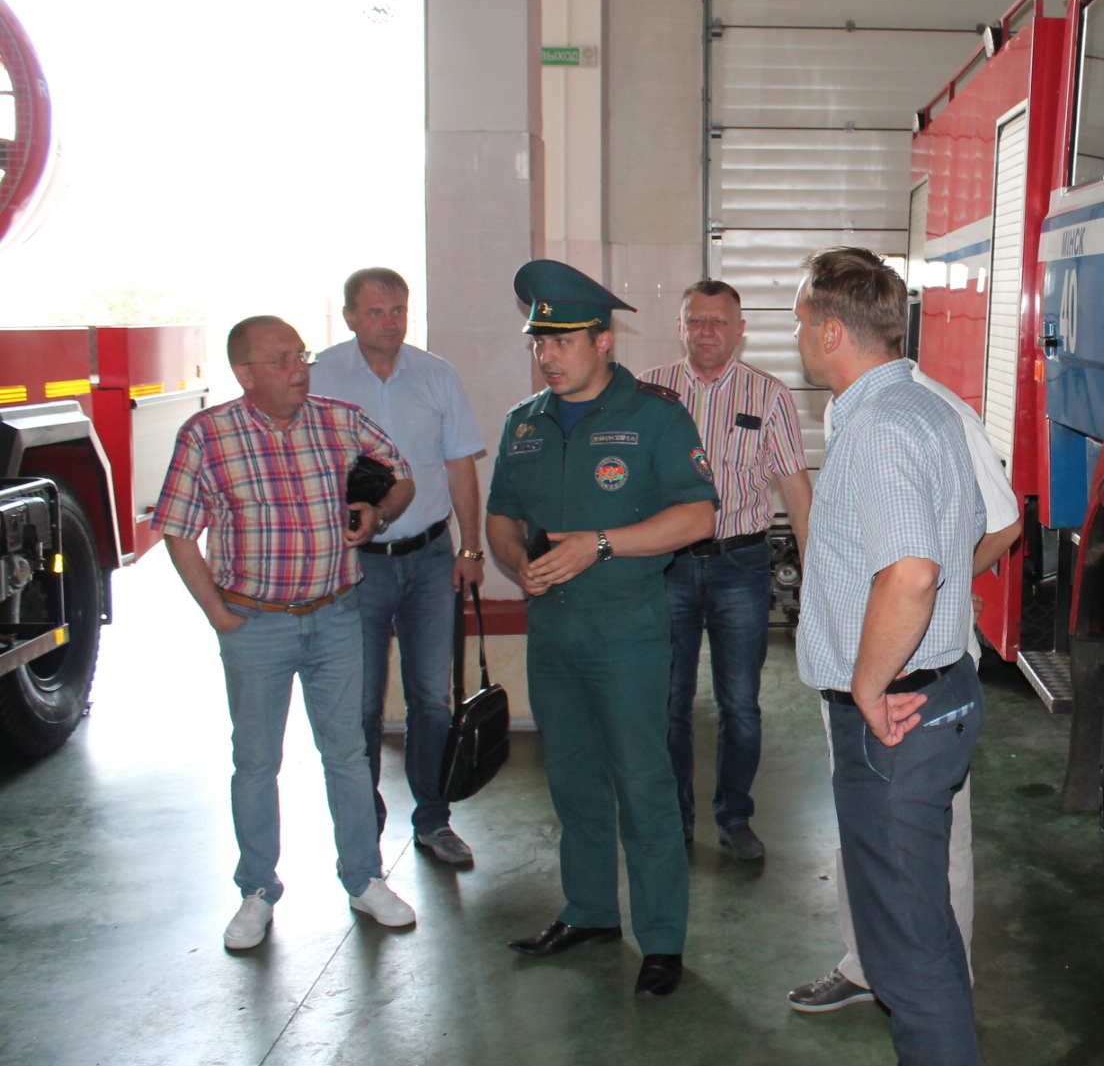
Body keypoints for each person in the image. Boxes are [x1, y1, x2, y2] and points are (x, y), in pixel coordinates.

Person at [485, 259, 719, 998]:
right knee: (573, 780)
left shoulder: (655, 417)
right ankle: (588, 911)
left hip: (626, 633)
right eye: (539, 343)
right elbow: (501, 517)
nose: (547, 357)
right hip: (552, 632)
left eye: (562, 342)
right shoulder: (524, 423)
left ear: (603, 341)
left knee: (643, 784)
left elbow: (698, 516)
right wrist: (516, 561)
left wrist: (603, 544)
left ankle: (662, 939)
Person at [154, 315, 421, 951]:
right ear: (244, 373)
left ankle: (364, 878)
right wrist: (217, 613)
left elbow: (403, 474)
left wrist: (378, 511)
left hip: (336, 617)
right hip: (254, 625)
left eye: (300, 355)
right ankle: (256, 890)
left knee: (348, 756)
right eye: (281, 359)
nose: (298, 368)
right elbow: (177, 530)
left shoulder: (339, 420)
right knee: (256, 762)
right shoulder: (207, 436)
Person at [791, 247, 988, 1066]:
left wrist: (868, 684)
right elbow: (964, 534)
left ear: (833, 331)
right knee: (918, 929)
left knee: (907, 951)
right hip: (939, 694)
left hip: (896, 716)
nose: (799, 339)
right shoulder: (926, 408)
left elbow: (911, 573)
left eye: (803, 323)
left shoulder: (877, 427)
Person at [789, 363, 1021, 1012]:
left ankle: (944, 985)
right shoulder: (846, 409)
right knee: (860, 822)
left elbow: (1004, 524)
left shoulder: (931, 410)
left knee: (937, 840)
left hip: (918, 674)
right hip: (858, 667)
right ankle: (867, 963)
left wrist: (934, 596)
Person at [310, 267, 488, 866]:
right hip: (354, 564)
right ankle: (364, 826)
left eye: (399, 311)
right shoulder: (320, 378)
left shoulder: (436, 375)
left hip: (431, 560)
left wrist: (470, 548)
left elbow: (460, 465)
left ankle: (433, 820)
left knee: (431, 700)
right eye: (376, 312)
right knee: (360, 705)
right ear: (350, 317)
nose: (390, 322)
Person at [642, 279, 811, 859]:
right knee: (669, 702)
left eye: (719, 322)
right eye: (696, 320)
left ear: (739, 330)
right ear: (680, 327)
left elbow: (796, 488)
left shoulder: (768, 395)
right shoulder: (650, 393)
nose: (707, 332)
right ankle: (675, 817)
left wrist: (814, 575)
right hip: (667, 567)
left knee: (740, 703)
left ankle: (735, 816)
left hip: (741, 565)